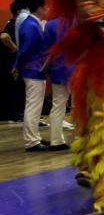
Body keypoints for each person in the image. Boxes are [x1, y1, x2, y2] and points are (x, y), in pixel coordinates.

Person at [17, 0, 49, 152]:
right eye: (46, 6)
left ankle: (34, 137)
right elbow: (25, 51)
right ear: (39, 8)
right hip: (33, 69)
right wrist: (17, 65)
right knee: (33, 106)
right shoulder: (31, 25)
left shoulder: (31, 23)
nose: (48, 9)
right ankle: (32, 140)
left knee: (34, 105)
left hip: (34, 69)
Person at [43, 17, 74, 151]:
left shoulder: (50, 25)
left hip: (57, 69)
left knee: (57, 105)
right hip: (75, 68)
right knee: (79, 106)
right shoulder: (77, 21)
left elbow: (47, 50)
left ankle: (56, 140)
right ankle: (79, 139)